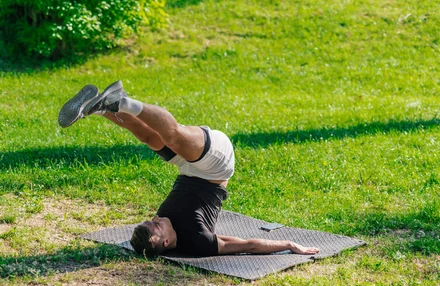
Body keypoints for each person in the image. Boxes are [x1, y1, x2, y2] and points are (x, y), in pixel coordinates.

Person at [58, 81, 320, 257]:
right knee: (173, 136)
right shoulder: (198, 242)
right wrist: (288, 244)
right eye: (156, 226)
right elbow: (248, 245)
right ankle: (122, 102)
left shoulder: (161, 224)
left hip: (187, 167)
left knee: (150, 138)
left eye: (151, 221)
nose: (156, 219)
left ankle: (101, 108)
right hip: (215, 167)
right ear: (166, 243)